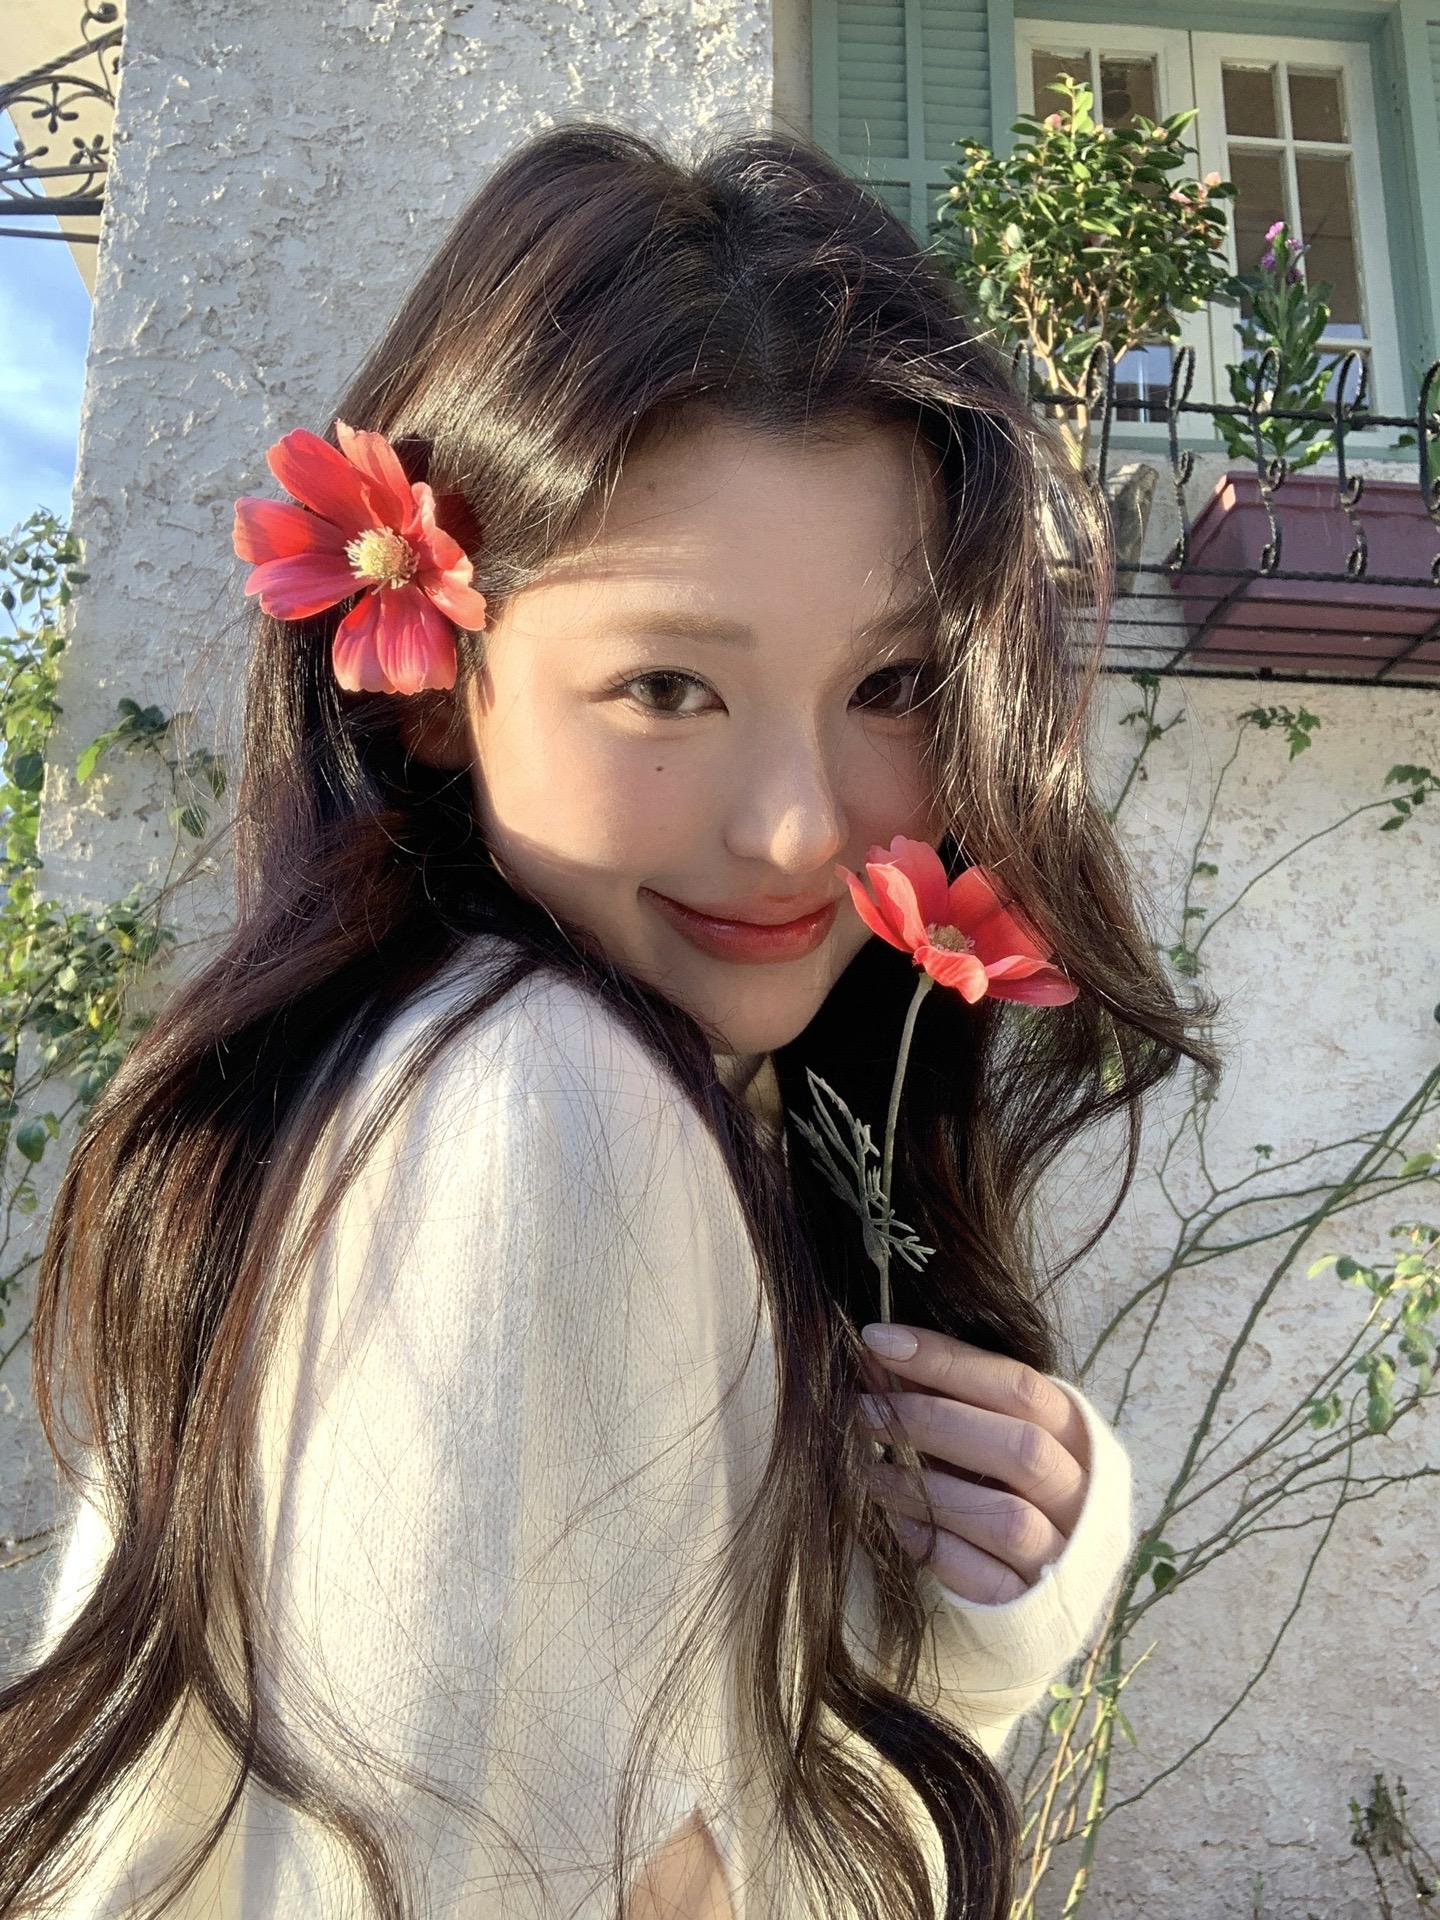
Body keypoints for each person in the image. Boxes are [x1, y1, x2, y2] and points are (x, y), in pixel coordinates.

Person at [0, 121, 1220, 1920]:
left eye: (892, 684)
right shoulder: (550, 1104)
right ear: (432, 681)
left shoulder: (500, 1082)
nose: (799, 828)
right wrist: (973, 1676)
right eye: (666, 686)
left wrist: (952, 1615)